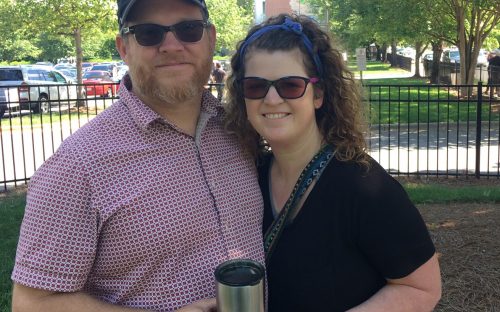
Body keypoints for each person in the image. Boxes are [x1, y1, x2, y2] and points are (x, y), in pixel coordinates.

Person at [11, 0, 265, 311]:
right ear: (123, 47)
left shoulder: (239, 131)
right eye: (149, 33)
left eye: (188, 29)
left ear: (210, 38)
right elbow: (31, 303)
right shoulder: (79, 163)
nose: (171, 46)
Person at [225, 14, 442, 311]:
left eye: (290, 85)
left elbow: (422, 288)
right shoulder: (249, 177)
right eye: (255, 86)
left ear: (319, 94)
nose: (272, 99)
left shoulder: (364, 187)